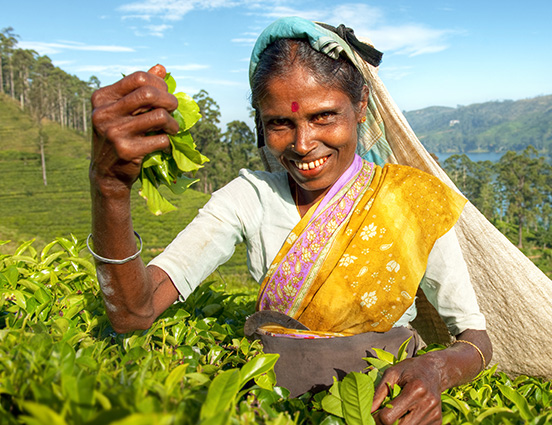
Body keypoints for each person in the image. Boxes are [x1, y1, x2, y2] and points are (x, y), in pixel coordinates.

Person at [89, 16, 491, 425]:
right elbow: (134, 313)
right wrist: (109, 187)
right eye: (279, 123)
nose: (302, 145)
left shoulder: (412, 200)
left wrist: (435, 371)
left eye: (323, 117)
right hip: (272, 409)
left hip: (386, 412)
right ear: (260, 123)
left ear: (362, 105)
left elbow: (476, 339)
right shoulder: (250, 198)